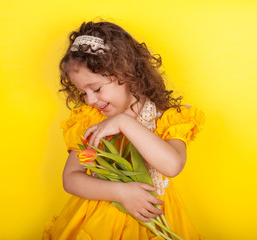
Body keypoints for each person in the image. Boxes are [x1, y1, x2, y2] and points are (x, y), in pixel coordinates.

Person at [43, 21, 205, 240]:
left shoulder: (167, 118)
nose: (90, 100)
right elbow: (71, 178)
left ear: (125, 73)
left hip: (155, 218)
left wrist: (125, 123)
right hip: (100, 222)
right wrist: (120, 192)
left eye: (96, 88)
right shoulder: (90, 121)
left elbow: (172, 165)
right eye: (83, 92)